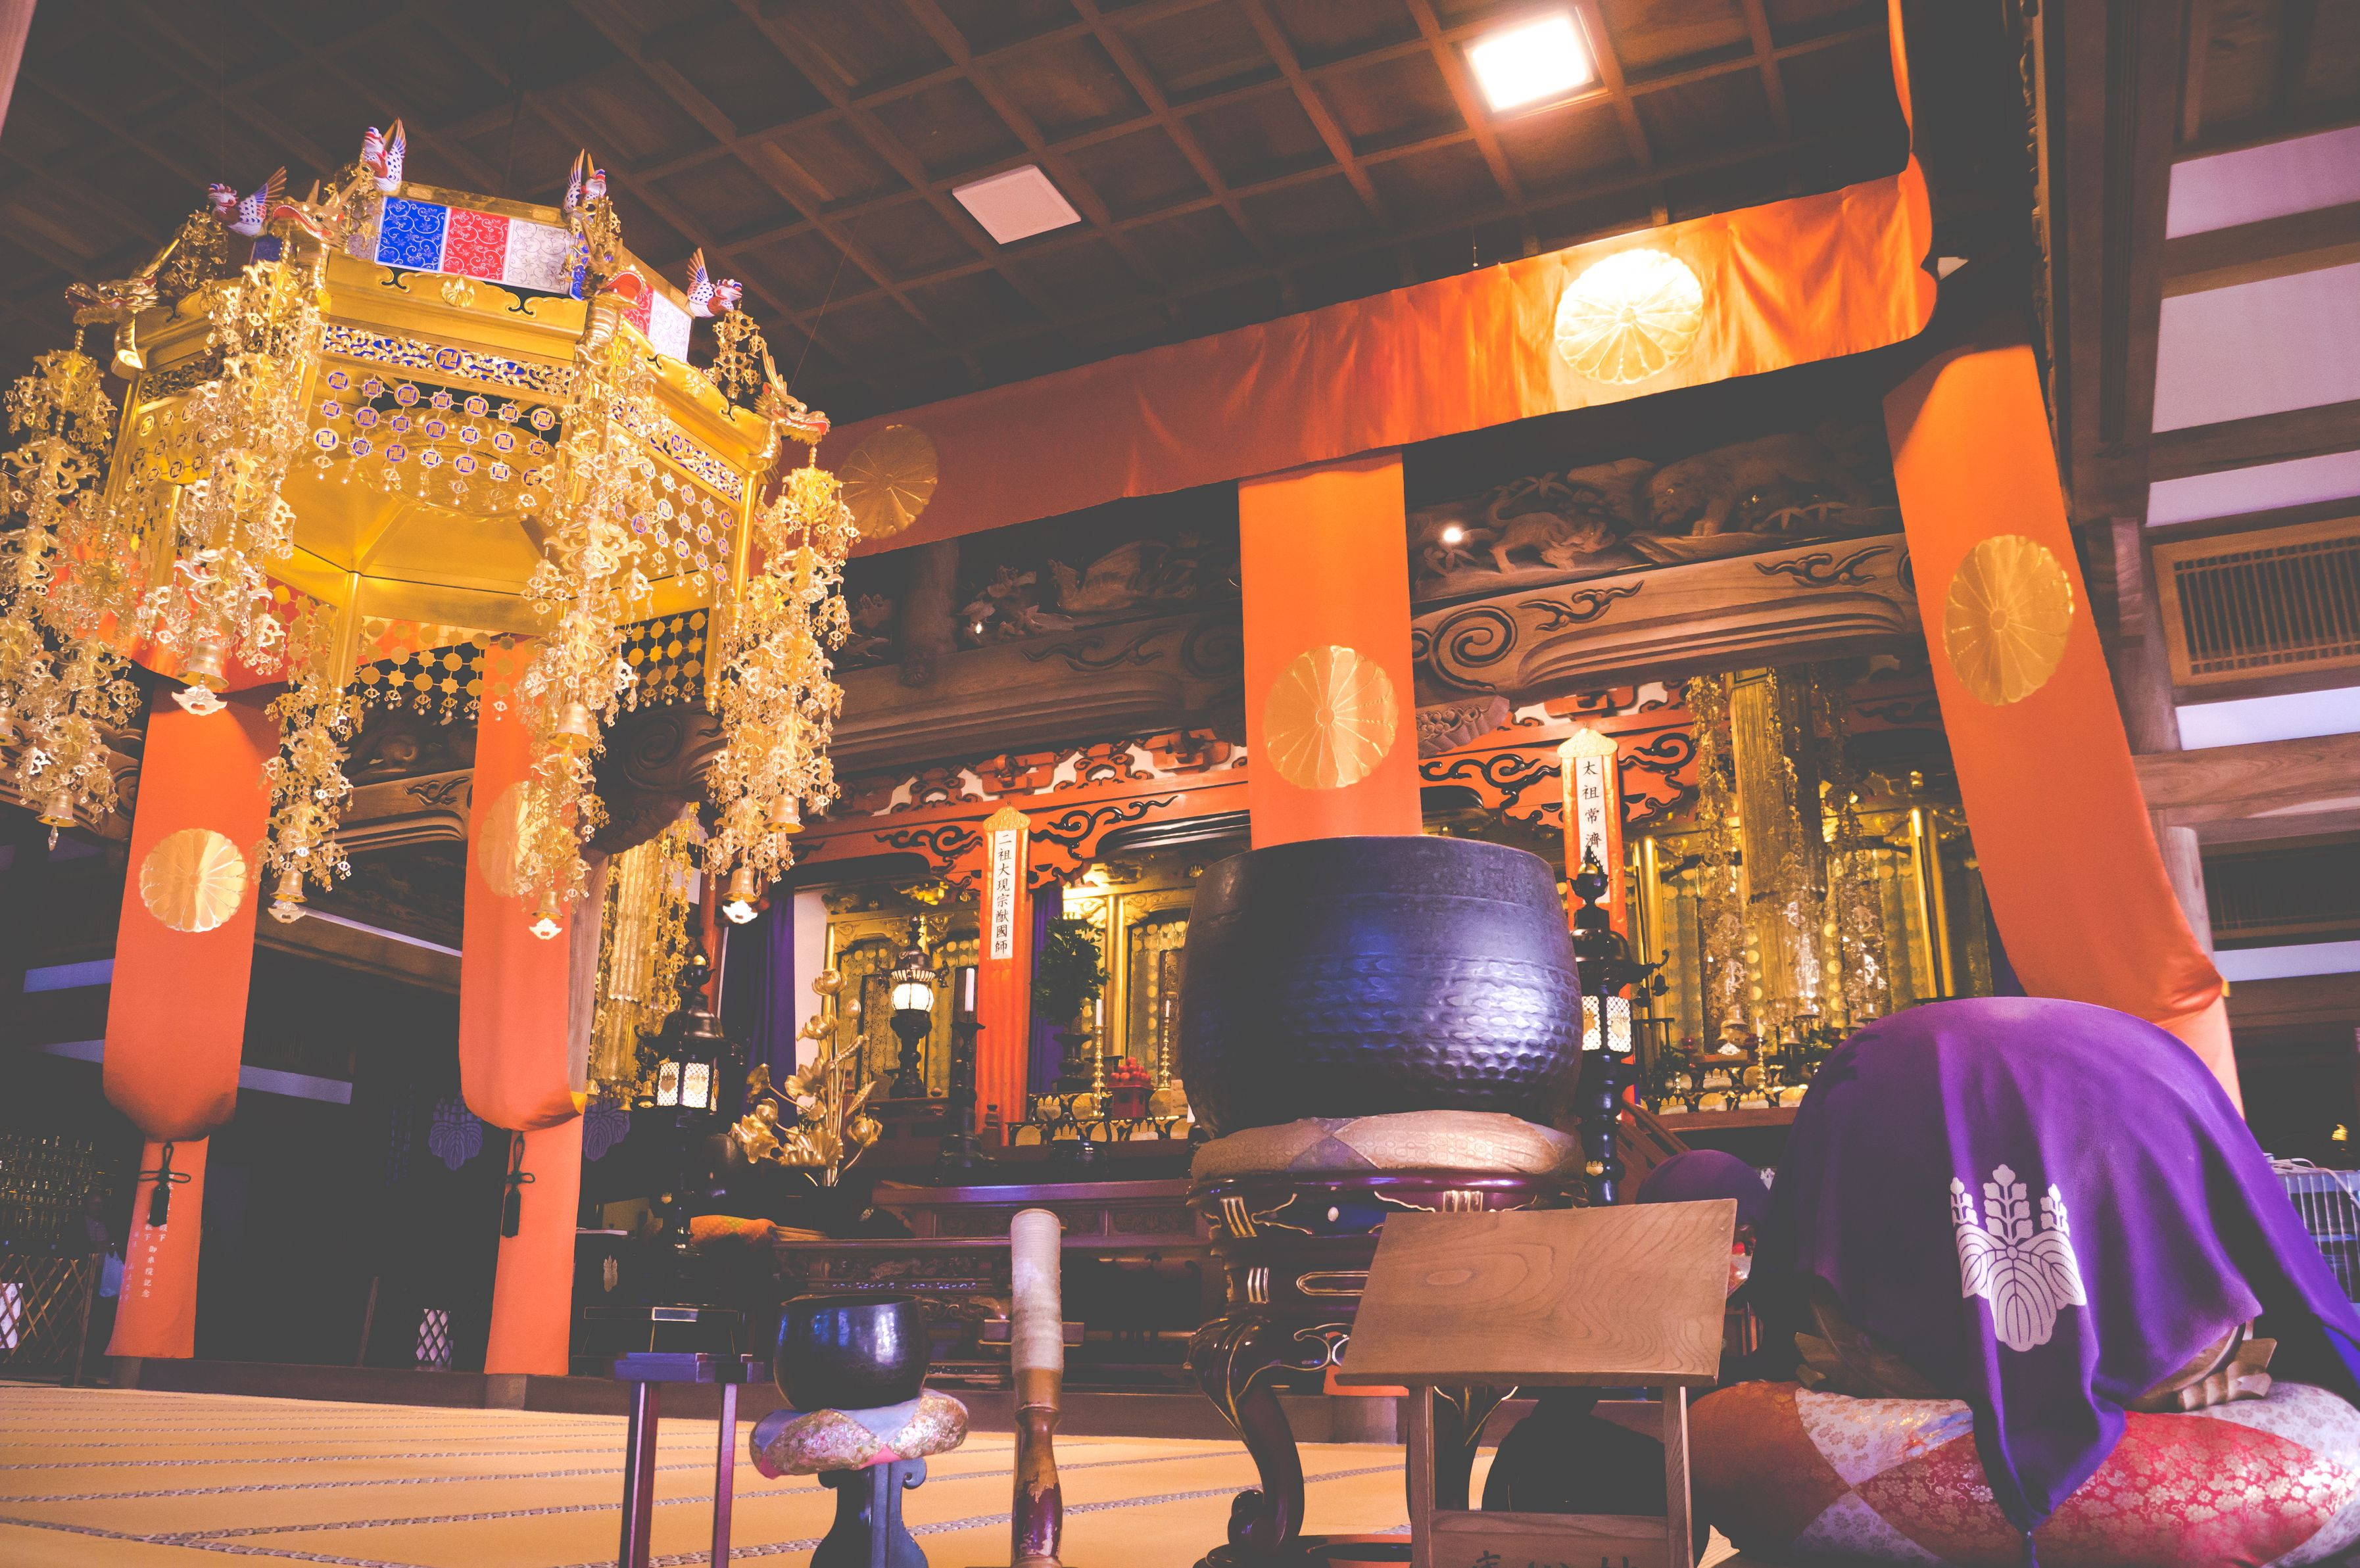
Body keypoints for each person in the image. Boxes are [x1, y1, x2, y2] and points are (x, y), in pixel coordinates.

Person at [1752, 996, 2360, 1545]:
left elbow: (1785, 1274)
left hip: (1875, 1382)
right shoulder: (2142, 1058)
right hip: (2189, 1389)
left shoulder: (1877, 1065)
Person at [1480, 1149, 1770, 1521]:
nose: (1737, 1256)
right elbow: (1564, 1407)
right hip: (1559, 1477)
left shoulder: (1766, 1269)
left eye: (1743, 1241)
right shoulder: (1624, 1291)